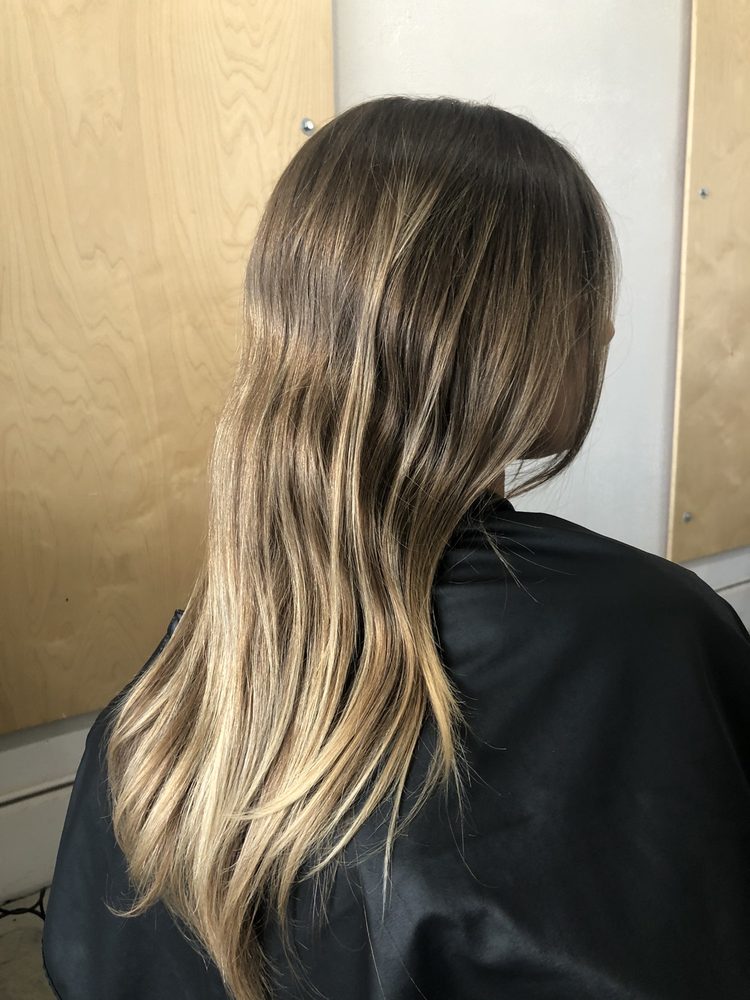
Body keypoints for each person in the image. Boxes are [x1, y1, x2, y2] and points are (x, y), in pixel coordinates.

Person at [42, 95, 750, 1000]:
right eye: (583, 295)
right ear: (504, 333)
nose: (606, 328)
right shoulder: (650, 636)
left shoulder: (166, 694)